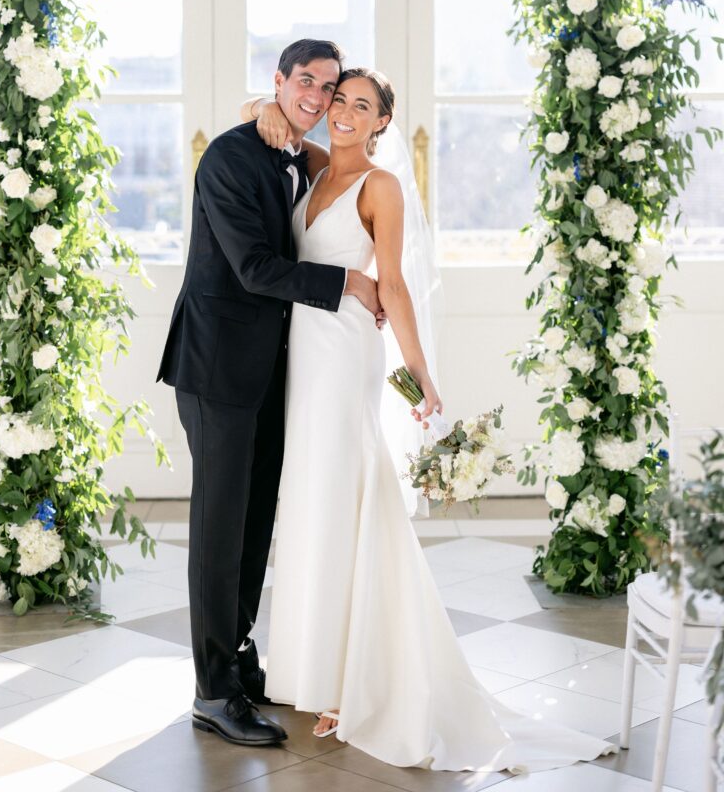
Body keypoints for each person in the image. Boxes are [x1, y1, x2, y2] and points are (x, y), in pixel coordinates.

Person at [248, 68, 617, 773]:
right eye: (339, 100)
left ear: (384, 121)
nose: (346, 113)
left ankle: (359, 678)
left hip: (345, 352)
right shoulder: (318, 165)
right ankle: (315, 664)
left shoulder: (378, 186)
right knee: (311, 505)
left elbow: (392, 283)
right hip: (303, 357)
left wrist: (419, 373)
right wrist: (268, 105)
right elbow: (256, 113)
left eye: (363, 106)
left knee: (345, 498)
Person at [157, 39, 383, 748]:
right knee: (219, 533)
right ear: (280, 81)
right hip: (217, 370)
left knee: (254, 526)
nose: (319, 98)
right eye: (306, 83)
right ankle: (210, 692)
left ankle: (239, 656)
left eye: (331, 88)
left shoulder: (297, 156)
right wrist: (347, 282)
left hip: (272, 371)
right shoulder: (228, 158)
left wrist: (267, 113)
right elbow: (254, 268)